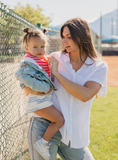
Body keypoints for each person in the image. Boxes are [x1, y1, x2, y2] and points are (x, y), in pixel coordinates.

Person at [24, 18, 108, 160]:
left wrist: (57, 73)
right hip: (44, 127)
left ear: (82, 36)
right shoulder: (54, 58)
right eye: (63, 37)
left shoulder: (99, 67)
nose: (65, 41)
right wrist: (36, 90)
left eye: (69, 37)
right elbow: (27, 88)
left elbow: (85, 95)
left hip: (73, 132)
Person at [15, 28, 65, 160]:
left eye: (42, 46)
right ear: (27, 47)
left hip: (43, 100)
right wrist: (44, 88)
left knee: (58, 120)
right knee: (59, 120)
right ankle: (43, 143)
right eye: (35, 47)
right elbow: (22, 77)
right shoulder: (28, 62)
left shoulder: (42, 59)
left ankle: (44, 143)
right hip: (38, 101)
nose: (39, 49)